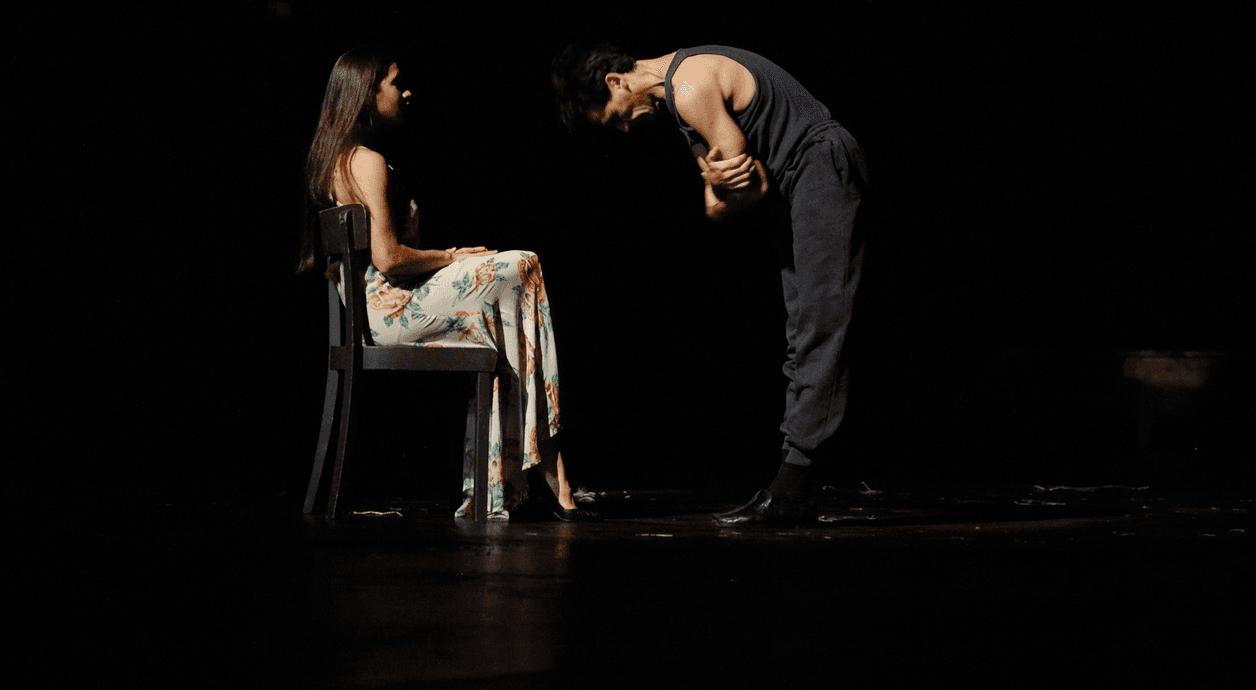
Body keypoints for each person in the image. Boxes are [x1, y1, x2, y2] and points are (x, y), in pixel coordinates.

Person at [552, 43, 866, 525]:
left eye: (613, 118)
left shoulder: (692, 87)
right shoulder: (682, 109)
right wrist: (727, 186)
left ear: (616, 83)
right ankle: (795, 485)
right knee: (804, 327)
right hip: (798, 182)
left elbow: (745, 185)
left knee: (822, 326)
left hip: (820, 164)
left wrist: (731, 184)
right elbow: (727, 202)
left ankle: (794, 486)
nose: (623, 129)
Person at [299, 46, 598, 521]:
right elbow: (389, 259)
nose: (407, 91)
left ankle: (510, 478)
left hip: (380, 312)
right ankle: (546, 464)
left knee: (499, 315)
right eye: (397, 83)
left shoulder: (335, 159)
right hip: (391, 313)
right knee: (522, 265)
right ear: (366, 92)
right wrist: (451, 256)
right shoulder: (366, 161)